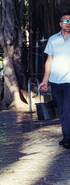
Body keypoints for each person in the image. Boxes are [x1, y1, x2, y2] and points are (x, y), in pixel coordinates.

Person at [39, 12, 70, 148]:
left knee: (68, 109)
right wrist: (45, 80)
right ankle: (66, 136)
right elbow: (49, 60)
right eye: (65, 21)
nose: (68, 24)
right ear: (60, 23)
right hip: (56, 81)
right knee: (62, 110)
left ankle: (68, 138)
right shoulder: (53, 39)